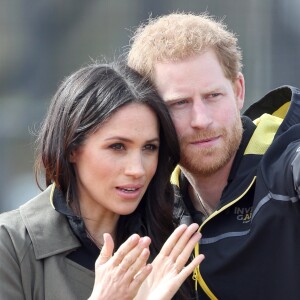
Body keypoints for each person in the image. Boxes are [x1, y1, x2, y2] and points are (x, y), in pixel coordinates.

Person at [127, 12, 300, 300]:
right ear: (151, 112)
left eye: (213, 96)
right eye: (180, 103)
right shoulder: (145, 199)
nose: (201, 120)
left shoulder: (286, 162)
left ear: (238, 91)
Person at [0, 61, 205, 300]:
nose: (137, 169)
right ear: (71, 148)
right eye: (117, 147)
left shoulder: (173, 240)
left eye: (149, 147)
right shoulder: (11, 244)